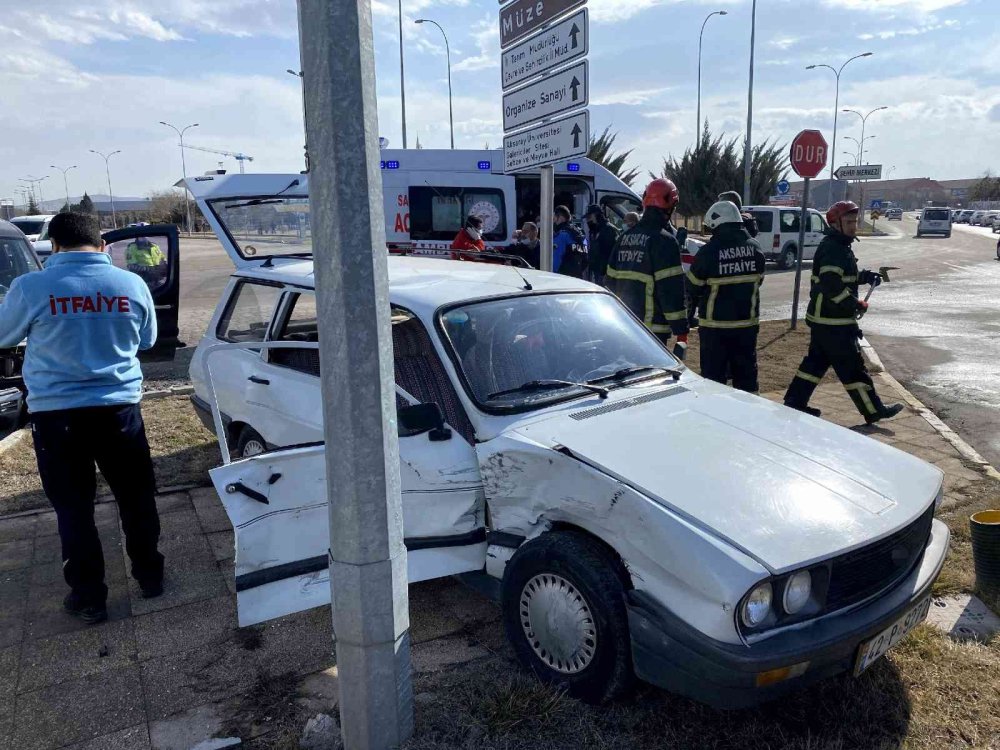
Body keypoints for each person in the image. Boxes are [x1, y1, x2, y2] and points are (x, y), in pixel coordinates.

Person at [0, 213, 164, 624]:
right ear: (103, 245)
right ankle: (150, 576)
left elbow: (3, 335)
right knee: (136, 498)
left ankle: (89, 597)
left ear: (54, 245)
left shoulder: (31, 287)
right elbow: (147, 340)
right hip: (119, 412)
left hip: (58, 418)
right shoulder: (131, 284)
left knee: (74, 508)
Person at [784, 201, 903, 424]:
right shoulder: (834, 248)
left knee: (814, 365)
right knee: (853, 368)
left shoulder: (838, 246)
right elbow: (831, 284)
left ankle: (794, 402)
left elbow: (842, 276)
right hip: (834, 322)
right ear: (835, 224)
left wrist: (864, 276)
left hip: (825, 320)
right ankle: (874, 410)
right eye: (848, 222)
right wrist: (854, 304)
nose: (853, 226)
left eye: (854, 222)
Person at [687, 201, 766, 392]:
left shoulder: (708, 252)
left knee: (713, 378)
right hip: (747, 326)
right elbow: (759, 280)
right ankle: (749, 409)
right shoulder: (755, 248)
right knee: (746, 375)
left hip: (715, 328)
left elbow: (692, 287)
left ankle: (717, 409)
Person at [605, 178, 689, 358]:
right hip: (652, 333)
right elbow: (671, 291)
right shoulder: (665, 241)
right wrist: (681, 331)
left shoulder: (624, 238)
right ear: (670, 206)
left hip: (624, 327)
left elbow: (609, 283)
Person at [584, 204, 618, 286]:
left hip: (605, 272)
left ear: (596, 214)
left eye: (589, 217)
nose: (588, 220)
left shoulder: (608, 229)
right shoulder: (595, 229)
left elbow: (610, 253)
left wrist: (607, 272)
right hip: (597, 270)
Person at [552, 205, 587, 277]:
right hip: (578, 275)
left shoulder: (562, 234)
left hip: (562, 277)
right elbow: (586, 255)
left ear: (561, 218)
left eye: (554, 218)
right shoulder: (580, 232)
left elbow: (555, 262)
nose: (554, 221)